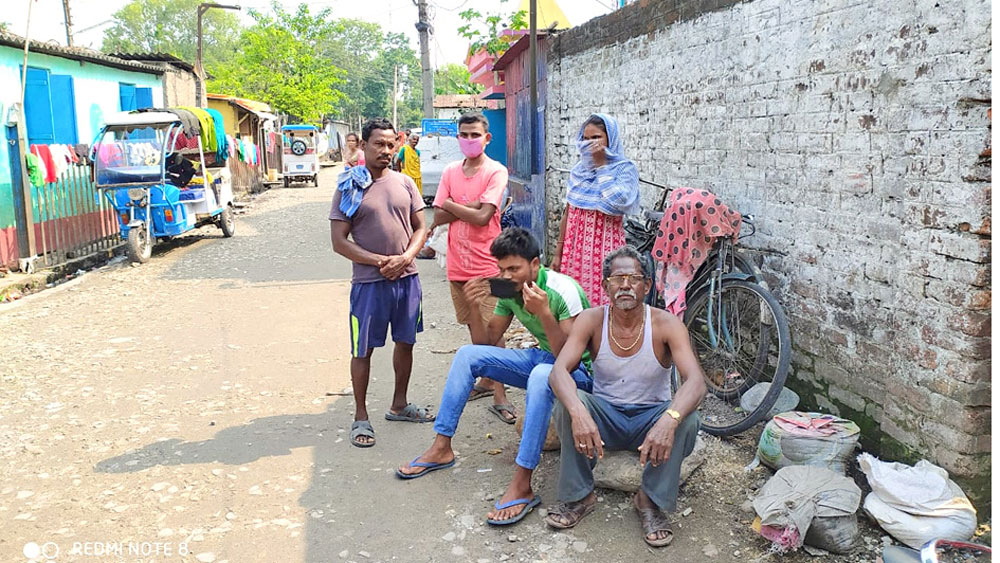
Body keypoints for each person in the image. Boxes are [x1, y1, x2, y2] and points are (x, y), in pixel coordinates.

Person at [396, 228, 593, 528]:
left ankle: (523, 483)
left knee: (544, 373)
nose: (507, 275)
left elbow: (569, 359)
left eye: (514, 268)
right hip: (545, 360)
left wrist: (543, 314)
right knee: (466, 355)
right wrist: (475, 308)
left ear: (535, 265)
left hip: (579, 373)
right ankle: (441, 447)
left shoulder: (561, 290)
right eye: (502, 269)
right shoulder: (509, 291)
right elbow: (486, 346)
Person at [543, 246, 706, 548]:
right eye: (618, 279)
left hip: (650, 419)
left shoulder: (666, 324)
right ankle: (580, 496)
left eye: (634, 278)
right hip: (606, 417)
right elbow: (558, 372)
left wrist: (669, 420)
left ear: (647, 285)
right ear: (605, 286)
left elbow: (696, 382)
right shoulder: (591, 320)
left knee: (687, 418)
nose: (626, 285)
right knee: (568, 403)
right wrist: (579, 412)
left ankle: (649, 500)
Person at [329, 118, 433, 448]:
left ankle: (399, 405)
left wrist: (405, 258)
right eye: (379, 144)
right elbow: (339, 241)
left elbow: (421, 227)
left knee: (406, 342)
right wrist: (379, 262)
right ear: (363, 145)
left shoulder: (405, 183)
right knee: (363, 349)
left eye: (391, 145)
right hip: (368, 284)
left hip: (408, 280)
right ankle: (361, 416)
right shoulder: (350, 186)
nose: (386, 151)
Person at [428, 112, 513, 420]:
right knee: (473, 326)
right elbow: (438, 216)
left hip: (491, 263)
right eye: (464, 134)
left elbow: (482, 217)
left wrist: (450, 204)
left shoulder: (496, 171)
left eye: (474, 134)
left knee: (494, 327)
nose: (469, 139)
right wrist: (467, 206)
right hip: (458, 263)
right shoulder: (451, 170)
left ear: (486, 138)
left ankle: (501, 393)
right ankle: (488, 379)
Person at [550, 114, 640, 307]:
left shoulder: (624, 169)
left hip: (606, 250)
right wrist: (558, 253)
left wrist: (601, 167)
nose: (590, 144)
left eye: (596, 138)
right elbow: (569, 211)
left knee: (606, 301)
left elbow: (618, 201)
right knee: (573, 302)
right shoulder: (578, 171)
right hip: (574, 251)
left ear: (611, 139)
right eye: (586, 139)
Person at [395, 132, 423, 196]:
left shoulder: (418, 152)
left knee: (416, 196)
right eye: (414, 139)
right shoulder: (404, 149)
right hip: (407, 175)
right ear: (409, 139)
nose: (415, 141)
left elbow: (417, 163)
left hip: (417, 176)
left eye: (417, 140)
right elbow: (398, 161)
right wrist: (400, 172)